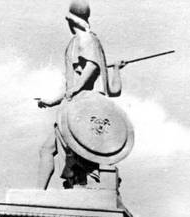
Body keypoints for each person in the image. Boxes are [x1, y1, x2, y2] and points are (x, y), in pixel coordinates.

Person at [36, 1, 126, 189]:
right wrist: (51, 102)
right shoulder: (84, 41)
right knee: (47, 149)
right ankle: (38, 194)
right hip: (74, 106)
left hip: (83, 110)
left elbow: (91, 67)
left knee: (79, 159)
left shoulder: (85, 39)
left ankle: (84, 187)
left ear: (71, 21)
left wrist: (75, 89)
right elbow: (110, 89)